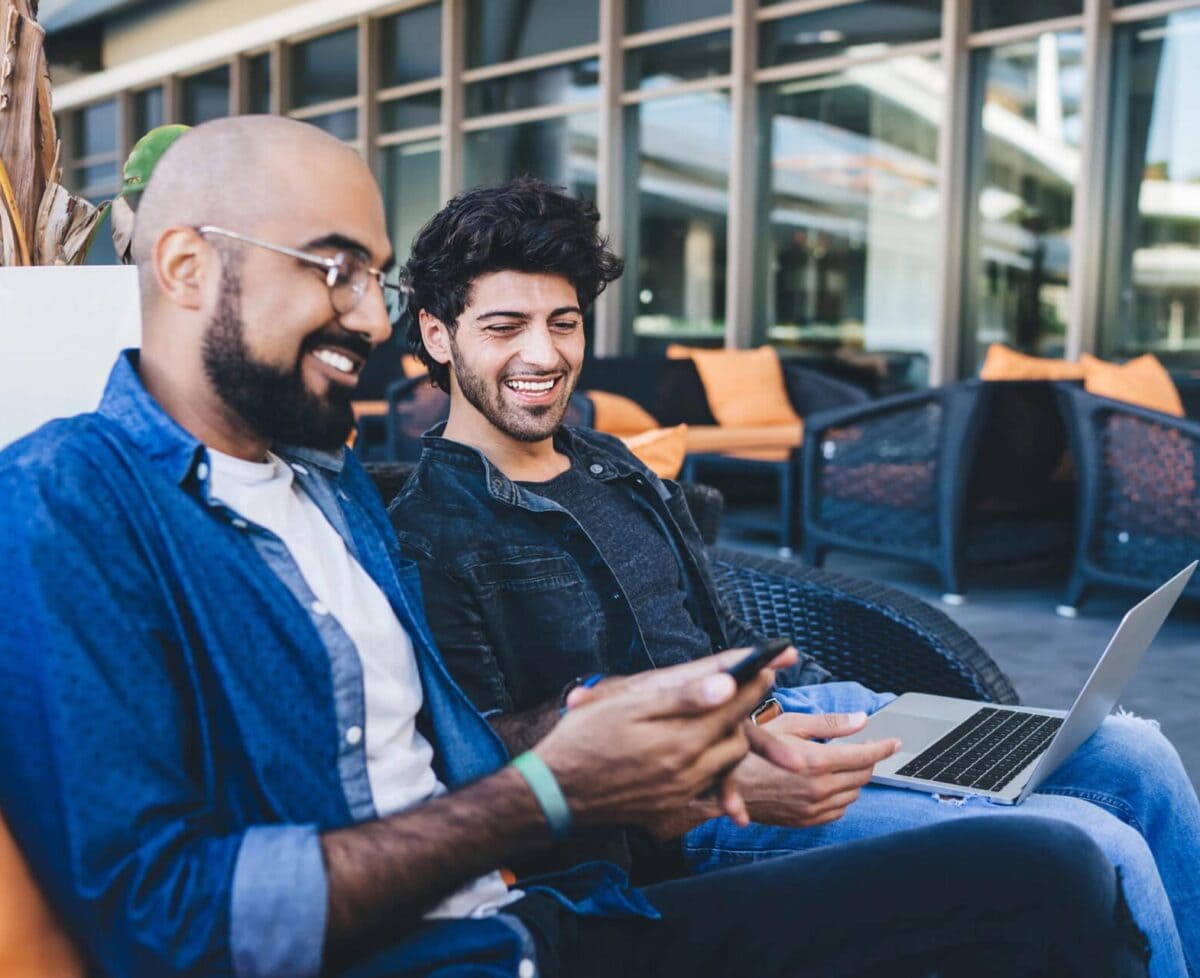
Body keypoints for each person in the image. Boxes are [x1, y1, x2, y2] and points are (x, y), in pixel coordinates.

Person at [0, 117, 1149, 978]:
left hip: (567, 901)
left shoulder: (326, 484)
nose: (369, 316)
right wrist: (551, 789)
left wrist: (640, 738)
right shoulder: (68, 502)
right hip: (477, 948)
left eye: (376, 278)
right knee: (1063, 865)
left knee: (1054, 857)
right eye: (334, 268)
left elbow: (445, 740)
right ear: (188, 266)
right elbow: (171, 922)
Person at [390, 176, 1200, 978]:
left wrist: (873, 717)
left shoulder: (607, 461)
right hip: (700, 800)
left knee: (1135, 751)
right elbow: (488, 766)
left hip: (801, 712)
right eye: (505, 327)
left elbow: (718, 624)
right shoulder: (430, 531)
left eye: (562, 323)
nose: (543, 353)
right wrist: (723, 766)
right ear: (436, 334)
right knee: (1099, 841)